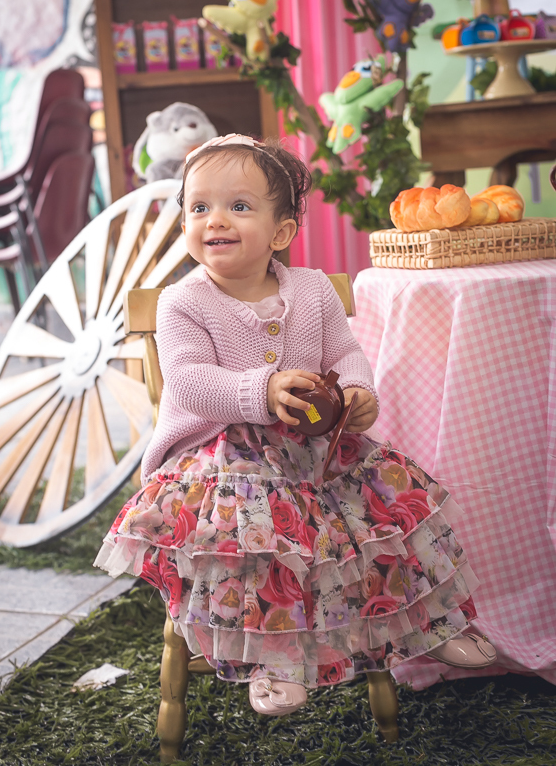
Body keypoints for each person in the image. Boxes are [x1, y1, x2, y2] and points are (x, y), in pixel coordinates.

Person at [95, 134, 496, 716]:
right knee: (261, 534)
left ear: (281, 232)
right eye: (199, 207)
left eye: (238, 206)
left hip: (318, 448)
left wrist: (357, 392)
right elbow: (187, 382)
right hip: (226, 452)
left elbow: (346, 353)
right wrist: (261, 389)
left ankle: (429, 621)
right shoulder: (182, 302)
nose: (215, 220)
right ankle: (276, 659)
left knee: (385, 511)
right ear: (184, 223)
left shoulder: (312, 289)